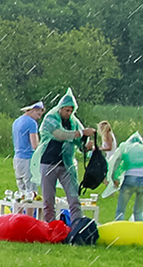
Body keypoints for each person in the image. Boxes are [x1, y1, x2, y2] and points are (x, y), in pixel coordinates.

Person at [32, 91, 87, 221]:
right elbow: (60, 135)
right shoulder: (50, 119)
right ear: (60, 108)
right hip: (48, 162)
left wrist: (86, 144)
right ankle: (50, 226)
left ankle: (77, 225)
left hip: (66, 164)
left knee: (73, 198)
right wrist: (81, 132)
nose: (68, 113)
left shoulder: (74, 122)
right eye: (66, 110)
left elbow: (78, 140)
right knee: (48, 199)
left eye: (71, 111)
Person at [106, 133, 143, 221]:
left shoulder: (126, 148)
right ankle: (139, 232)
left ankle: (119, 230)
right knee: (138, 211)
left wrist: (114, 177)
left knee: (121, 210)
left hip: (130, 178)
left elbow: (117, 160)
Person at [11, 101, 44, 200]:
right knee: (32, 193)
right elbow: (34, 145)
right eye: (38, 114)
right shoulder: (32, 123)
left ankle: (20, 213)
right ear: (34, 110)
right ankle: (31, 215)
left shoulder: (16, 121)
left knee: (22, 193)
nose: (39, 117)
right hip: (28, 159)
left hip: (17, 158)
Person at [81, 120, 113, 193]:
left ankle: (110, 190)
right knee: (102, 176)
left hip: (110, 156)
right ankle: (110, 189)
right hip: (106, 156)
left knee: (102, 175)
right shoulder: (105, 135)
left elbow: (109, 147)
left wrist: (99, 149)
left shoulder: (108, 135)